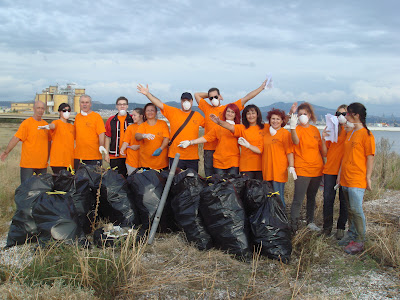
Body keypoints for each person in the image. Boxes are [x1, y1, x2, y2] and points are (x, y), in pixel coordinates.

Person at [194, 80, 267, 176]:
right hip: (210, 149)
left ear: (220, 96)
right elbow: (196, 95)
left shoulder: (229, 109)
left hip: (227, 151)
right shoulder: (206, 107)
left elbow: (247, 98)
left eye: (216, 97)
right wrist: (210, 96)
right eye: (211, 98)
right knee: (210, 177)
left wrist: (261, 88)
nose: (213, 99)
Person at [137, 85, 204, 172]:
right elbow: (159, 104)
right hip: (175, 155)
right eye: (184, 100)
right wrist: (147, 94)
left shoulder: (197, 115)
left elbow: (209, 127)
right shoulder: (173, 112)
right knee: (175, 181)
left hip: (192, 157)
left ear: (192, 102)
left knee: (192, 181)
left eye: (188, 100)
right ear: (181, 102)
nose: (186, 102)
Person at [337, 102, 375, 255]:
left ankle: (360, 240)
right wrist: (340, 175)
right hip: (346, 177)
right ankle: (351, 235)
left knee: (357, 210)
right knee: (350, 210)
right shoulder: (351, 132)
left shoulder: (367, 135)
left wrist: (368, 178)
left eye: (348, 113)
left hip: (357, 178)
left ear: (356, 116)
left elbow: (370, 157)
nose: (346, 116)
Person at [289, 102, 325, 232]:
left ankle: (310, 222)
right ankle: (293, 225)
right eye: (300, 114)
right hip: (302, 170)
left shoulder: (315, 130)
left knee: (311, 197)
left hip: (317, 170)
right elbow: (295, 141)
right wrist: (292, 126)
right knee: (298, 199)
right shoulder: (296, 130)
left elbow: (321, 150)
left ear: (309, 115)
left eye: (305, 114)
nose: (303, 116)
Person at [179, 103, 241, 175]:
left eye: (232, 112)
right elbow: (207, 137)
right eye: (228, 111)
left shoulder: (238, 127)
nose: (230, 113)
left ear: (236, 114)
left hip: (233, 161)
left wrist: (219, 122)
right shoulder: (218, 127)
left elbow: (231, 127)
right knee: (219, 185)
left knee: (232, 184)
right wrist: (190, 142)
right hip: (219, 162)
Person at [1, 101, 50, 183]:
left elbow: (48, 143)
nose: (40, 110)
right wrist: (6, 152)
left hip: (42, 165)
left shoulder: (45, 125)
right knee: (25, 189)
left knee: (41, 191)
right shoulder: (26, 123)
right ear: (34, 109)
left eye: (42, 108)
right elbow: (16, 138)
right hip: (28, 165)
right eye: (38, 108)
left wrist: (47, 158)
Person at [210, 104, 264, 180]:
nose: (251, 116)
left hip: (261, 166)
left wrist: (286, 118)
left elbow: (277, 125)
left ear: (257, 114)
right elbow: (230, 127)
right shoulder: (241, 128)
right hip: (246, 167)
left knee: (259, 190)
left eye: (253, 113)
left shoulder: (264, 127)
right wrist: (219, 122)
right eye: (248, 113)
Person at [321, 104, 348, 239]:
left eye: (344, 114)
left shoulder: (350, 131)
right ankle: (327, 227)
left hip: (344, 171)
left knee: (344, 200)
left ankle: (341, 228)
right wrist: (323, 138)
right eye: (338, 114)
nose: (341, 116)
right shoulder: (331, 129)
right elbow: (325, 152)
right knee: (328, 199)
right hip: (330, 169)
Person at [262, 108, 296, 207]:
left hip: (279, 171)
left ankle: (282, 219)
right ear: (269, 120)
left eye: (278, 119)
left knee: (278, 196)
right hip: (267, 170)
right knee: (268, 197)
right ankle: (271, 219)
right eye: (273, 119)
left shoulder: (285, 134)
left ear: (282, 121)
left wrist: (291, 166)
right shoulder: (266, 134)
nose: (275, 121)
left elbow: (289, 152)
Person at [38, 103, 75, 174]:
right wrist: (48, 126)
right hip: (58, 162)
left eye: (68, 110)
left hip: (69, 162)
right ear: (59, 112)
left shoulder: (71, 126)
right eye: (64, 110)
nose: (66, 112)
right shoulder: (57, 122)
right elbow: (53, 125)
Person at [74, 94, 106, 170]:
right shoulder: (77, 117)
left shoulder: (96, 117)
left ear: (90, 104)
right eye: (82, 102)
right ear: (79, 104)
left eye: (87, 102)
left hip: (94, 157)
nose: (84, 105)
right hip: (79, 156)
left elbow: (101, 133)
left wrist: (101, 145)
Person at [104, 96, 134, 177]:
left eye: (124, 104)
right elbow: (107, 137)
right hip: (114, 155)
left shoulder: (133, 119)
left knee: (131, 178)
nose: (122, 106)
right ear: (116, 106)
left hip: (130, 156)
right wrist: (106, 154)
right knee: (117, 179)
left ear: (127, 106)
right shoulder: (111, 120)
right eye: (120, 104)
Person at [135, 103, 169, 170]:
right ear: (145, 113)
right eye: (148, 110)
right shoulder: (143, 126)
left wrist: (161, 149)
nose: (150, 112)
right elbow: (137, 136)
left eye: (152, 110)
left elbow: (166, 138)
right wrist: (144, 135)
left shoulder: (162, 124)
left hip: (161, 163)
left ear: (156, 112)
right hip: (146, 163)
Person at [120, 108, 144, 176]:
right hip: (131, 160)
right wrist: (122, 149)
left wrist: (139, 146)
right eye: (132, 115)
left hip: (144, 160)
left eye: (134, 115)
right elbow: (126, 141)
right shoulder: (130, 127)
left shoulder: (147, 126)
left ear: (141, 116)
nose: (132, 117)